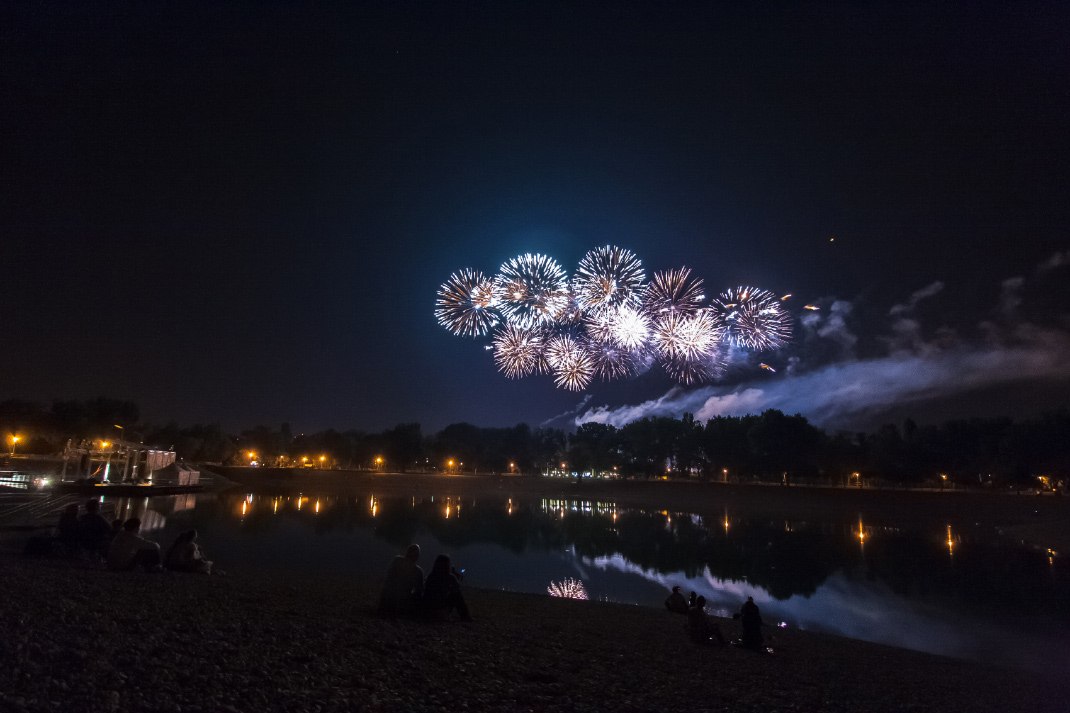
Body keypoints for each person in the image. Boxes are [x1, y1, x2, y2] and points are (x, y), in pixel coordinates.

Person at [422, 554, 472, 622]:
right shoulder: (449, 577)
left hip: (427, 609)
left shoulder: (430, 576)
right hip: (440, 609)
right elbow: (457, 589)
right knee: (457, 595)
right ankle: (465, 616)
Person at [378, 544, 424, 616]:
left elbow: (388, 576)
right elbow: (419, 590)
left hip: (388, 597)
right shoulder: (418, 571)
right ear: (417, 556)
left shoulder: (397, 560)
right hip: (402, 600)